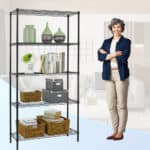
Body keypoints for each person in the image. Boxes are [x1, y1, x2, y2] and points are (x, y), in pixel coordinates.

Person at [97, 18, 131, 140]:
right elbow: (99, 56)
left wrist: (106, 55)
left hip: (120, 75)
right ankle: (114, 130)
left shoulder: (126, 42)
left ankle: (120, 132)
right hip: (108, 74)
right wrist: (115, 54)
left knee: (121, 105)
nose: (116, 29)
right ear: (111, 28)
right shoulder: (106, 42)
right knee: (111, 105)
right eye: (114, 27)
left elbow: (124, 58)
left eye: (118, 27)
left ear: (122, 28)